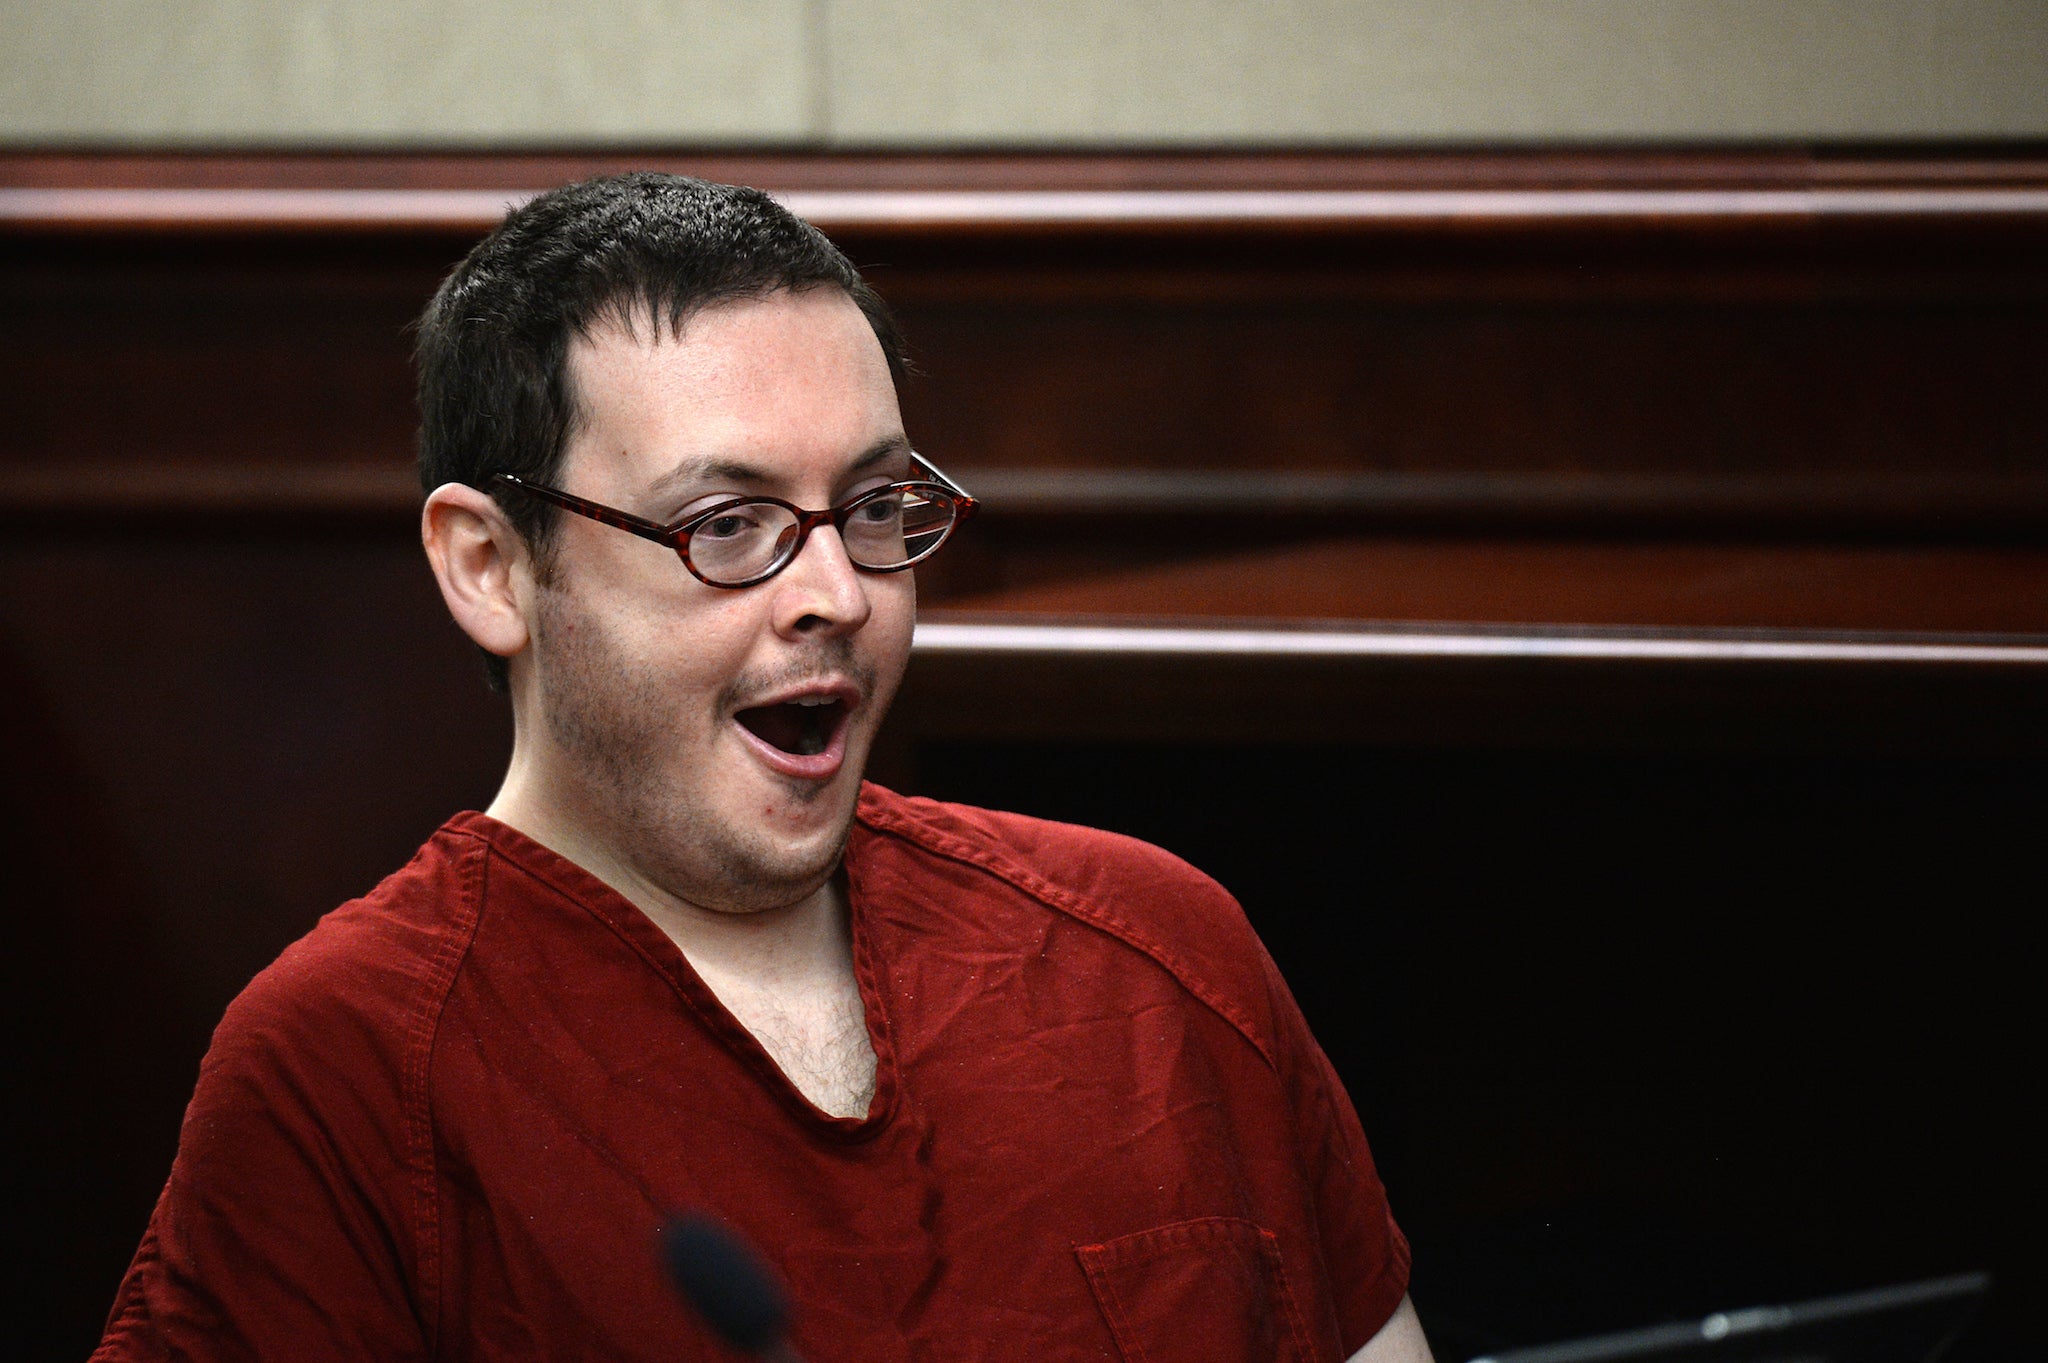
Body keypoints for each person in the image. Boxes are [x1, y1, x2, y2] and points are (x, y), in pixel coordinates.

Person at [93, 173, 1430, 1363]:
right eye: (728, 525)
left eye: (872, 508)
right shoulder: (344, 1071)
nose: (837, 594)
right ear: (491, 567)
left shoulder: (1155, 951)